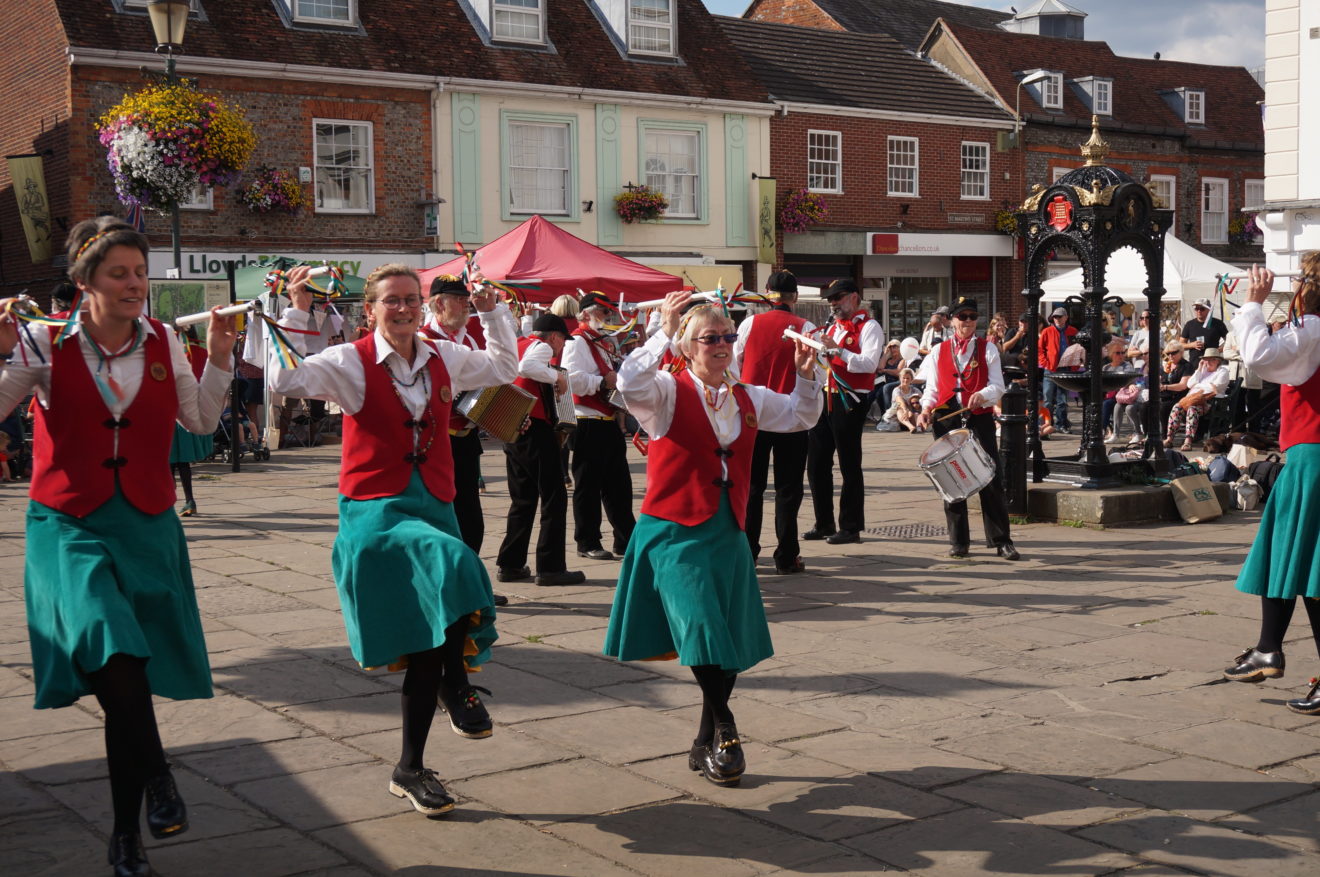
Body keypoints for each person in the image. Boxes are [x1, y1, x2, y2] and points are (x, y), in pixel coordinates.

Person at [0, 217, 235, 877]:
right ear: (83, 283)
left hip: (147, 525)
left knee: (124, 676)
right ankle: (161, 775)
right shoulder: (43, 347)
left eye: (140, 273)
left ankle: (125, 838)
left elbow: (201, 422)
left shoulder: (162, 339)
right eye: (119, 274)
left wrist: (218, 358)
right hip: (68, 523)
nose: (136, 285)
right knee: (111, 642)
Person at [269, 263, 517, 817]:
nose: (403, 309)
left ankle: (410, 767)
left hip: (434, 500)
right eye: (392, 301)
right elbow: (283, 380)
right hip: (376, 509)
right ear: (370, 309)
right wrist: (298, 309)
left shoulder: (440, 355)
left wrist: (491, 309)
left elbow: (505, 364)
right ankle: (457, 686)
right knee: (455, 564)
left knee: (428, 637)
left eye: (411, 299)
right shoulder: (348, 362)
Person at [603, 291, 821, 786]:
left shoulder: (748, 396)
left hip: (728, 530)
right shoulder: (664, 390)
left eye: (727, 336)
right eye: (710, 338)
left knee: (727, 638)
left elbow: (801, 417)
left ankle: (706, 742)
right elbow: (628, 380)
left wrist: (807, 374)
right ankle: (726, 724)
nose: (722, 344)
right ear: (687, 346)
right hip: (674, 530)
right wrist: (662, 326)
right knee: (701, 623)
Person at [1222, 258, 1320, 717]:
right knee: (1291, 559)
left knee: (1310, 570)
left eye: (1302, 281)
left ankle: (1269, 650)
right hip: (1309, 456)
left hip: (1312, 458)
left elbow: (1259, 358)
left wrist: (1253, 304)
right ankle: (1267, 648)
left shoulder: (1313, 329)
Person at [420, 275, 509, 607]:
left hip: (466, 440)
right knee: (440, 518)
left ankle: (469, 584)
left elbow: (496, 376)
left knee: (471, 518)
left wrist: (506, 413)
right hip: (435, 444)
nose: (466, 304)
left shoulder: (467, 341)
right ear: (439, 303)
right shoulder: (423, 339)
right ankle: (442, 588)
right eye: (459, 299)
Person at [916, 297, 1019, 561]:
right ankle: (959, 541)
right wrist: (925, 410)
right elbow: (932, 388)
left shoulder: (988, 349)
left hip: (978, 418)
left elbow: (998, 386)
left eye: (973, 317)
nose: (968, 322)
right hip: (947, 417)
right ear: (952, 321)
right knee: (951, 479)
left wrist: (982, 394)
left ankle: (1001, 540)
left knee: (990, 477)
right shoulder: (939, 351)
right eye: (962, 317)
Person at [733, 270, 817, 573]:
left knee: (751, 489)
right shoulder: (806, 327)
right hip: (791, 417)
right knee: (788, 489)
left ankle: (748, 552)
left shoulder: (749, 324)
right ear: (795, 297)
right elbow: (814, 374)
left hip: (753, 416)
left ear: (767, 293)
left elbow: (734, 366)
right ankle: (786, 555)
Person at [496, 312, 586, 586]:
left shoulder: (518, 343)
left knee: (523, 500)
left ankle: (510, 564)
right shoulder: (541, 346)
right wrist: (555, 378)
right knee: (554, 497)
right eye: (562, 341)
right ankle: (550, 568)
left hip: (514, 428)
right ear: (556, 337)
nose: (559, 349)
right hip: (534, 429)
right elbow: (528, 368)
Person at [806, 278, 883, 545]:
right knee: (816, 462)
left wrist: (837, 350)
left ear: (854, 297)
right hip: (826, 396)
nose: (833, 303)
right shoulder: (833, 326)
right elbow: (825, 362)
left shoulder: (870, 327)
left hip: (850, 400)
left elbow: (869, 364)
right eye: (831, 299)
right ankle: (824, 521)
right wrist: (813, 350)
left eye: (838, 298)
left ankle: (850, 527)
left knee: (849, 464)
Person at [565, 291, 636, 561]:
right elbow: (571, 378)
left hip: (606, 420)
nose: (609, 317)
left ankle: (625, 539)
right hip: (586, 421)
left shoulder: (602, 341)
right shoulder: (577, 341)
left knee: (619, 485)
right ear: (585, 314)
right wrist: (603, 381)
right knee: (588, 486)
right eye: (603, 312)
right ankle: (587, 541)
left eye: (609, 312)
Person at [169, 326, 214, 517]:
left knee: (169, 462)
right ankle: (189, 500)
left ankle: (170, 502)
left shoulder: (174, 354)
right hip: (192, 411)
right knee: (183, 463)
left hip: (173, 411)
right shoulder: (203, 351)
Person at [1163, 347, 1229, 451]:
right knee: (1176, 407)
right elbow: (1189, 384)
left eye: (1212, 359)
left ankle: (1188, 441)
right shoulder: (1202, 370)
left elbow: (1216, 388)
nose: (1208, 362)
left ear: (1218, 361)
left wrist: (1198, 386)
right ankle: (1169, 439)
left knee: (1192, 409)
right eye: (1206, 359)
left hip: (1209, 402)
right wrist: (1199, 369)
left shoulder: (1222, 371)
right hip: (1192, 399)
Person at [1039, 306, 1078, 433]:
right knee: (1047, 399)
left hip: (1065, 368)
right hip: (1051, 369)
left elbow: (1078, 349)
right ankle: (1048, 424)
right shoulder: (1047, 331)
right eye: (1055, 317)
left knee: (1062, 400)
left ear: (1066, 317)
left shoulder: (1073, 331)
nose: (1057, 319)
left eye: (1059, 317)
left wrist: (1075, 364)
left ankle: (1062, 424)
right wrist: (1045, 362)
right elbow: (1040, 349)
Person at [1180, 297, 1230, 367]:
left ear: (1209, 310)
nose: (1199, 311)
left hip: (1213, 364)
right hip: (1195, 365)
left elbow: (1229, 341)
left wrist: (1217, 350)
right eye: (1196, 309)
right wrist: (1192, 345)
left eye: (1202, 309)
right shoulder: (1189, 324)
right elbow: (1180, 345)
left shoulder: (1218, 324)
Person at [878, 367, 922, 433]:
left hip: (911, 414)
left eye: (908, 378)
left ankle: (917, 427)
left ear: (911, 379)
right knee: (899, 409)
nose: (905, 380)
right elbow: (900, 401)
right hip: (897, 415)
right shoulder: (897, 390)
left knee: (915, 414)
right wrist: (906, 410)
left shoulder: (915, 390)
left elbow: (923, 400)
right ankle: (911, 427)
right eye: (903, 378)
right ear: (900, 378)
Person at [874, 339, 905, 415]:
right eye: (890, 347)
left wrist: (885, 370)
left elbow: (898, 372)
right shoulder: (888, 359)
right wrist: (885, 353)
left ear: (899, 348)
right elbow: (880, 367)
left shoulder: (902, 360)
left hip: (896, 382)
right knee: (872, 393)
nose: (892, 349)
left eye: (894, 346)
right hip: (884, 382)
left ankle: (888, 414)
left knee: (883, 390)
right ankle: (882, 414)